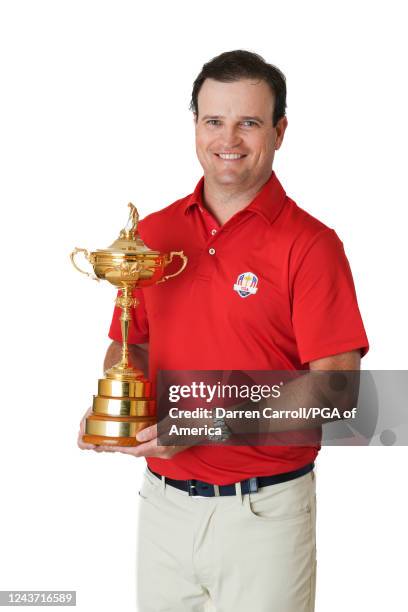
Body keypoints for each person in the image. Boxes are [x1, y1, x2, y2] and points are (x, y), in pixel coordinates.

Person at [78, 50, 369, 611]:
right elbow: (129, 341)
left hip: (264, 516)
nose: (228, 138)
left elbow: (339, 392)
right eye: (214, 120)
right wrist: (118, 407)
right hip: (162, 507)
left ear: (279, 131)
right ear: (195, 125)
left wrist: (206, 422)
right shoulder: (153, 235)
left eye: (249, 122)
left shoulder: (312, 246)